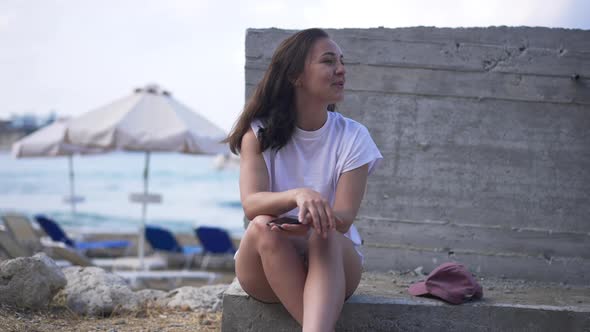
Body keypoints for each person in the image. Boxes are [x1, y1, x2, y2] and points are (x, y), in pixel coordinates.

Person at [225, 28, 382, 331]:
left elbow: (344, 219)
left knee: (324, 232)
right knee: (261, 226)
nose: (341, 70)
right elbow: (252, 203)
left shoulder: (353, 136)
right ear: (296, 75)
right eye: (328, 61)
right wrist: (299, 194)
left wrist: (311, 220)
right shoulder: (257, 133)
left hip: (333, 263)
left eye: (341, 61)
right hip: (267, 263)